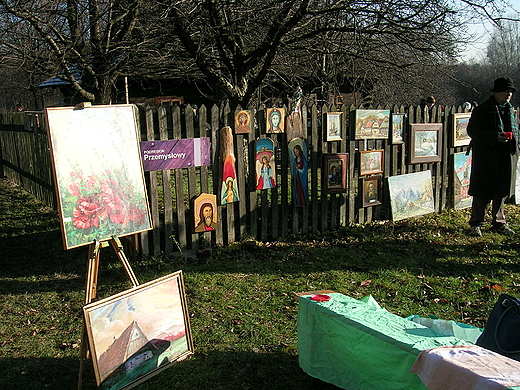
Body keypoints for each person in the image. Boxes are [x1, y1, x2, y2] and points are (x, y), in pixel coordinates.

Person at [467, 77, 519, 236]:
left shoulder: (510, 110)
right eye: (505, 91)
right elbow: (473, 131)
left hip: (507, 156)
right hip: (487, 157)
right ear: (496, 92)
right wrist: (494, 137)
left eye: (510, 91)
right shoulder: (482, 110)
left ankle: (499, 223)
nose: (508, 94)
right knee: (482, 191)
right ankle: (476, 223)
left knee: (502, 191)